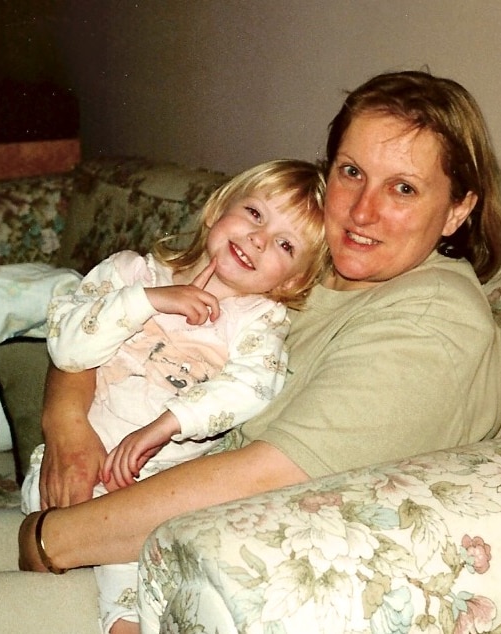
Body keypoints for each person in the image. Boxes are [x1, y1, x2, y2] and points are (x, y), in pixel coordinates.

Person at [0, 69, 501, 634]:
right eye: (350, 171)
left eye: (403, 189)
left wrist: (51, 540)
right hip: (136, 507)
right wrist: (66, 422)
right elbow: (113, 326)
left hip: (225, 573)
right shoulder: (299, 262)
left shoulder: (433, 319)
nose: (361, 211)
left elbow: (267, 478)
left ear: (456, 210)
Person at [21, 159, 329, 634]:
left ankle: (121, 621)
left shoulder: (258, 322)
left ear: (291, 281)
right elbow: (66, 344)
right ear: (216, 210)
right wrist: (149, 300)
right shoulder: (129, 272)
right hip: (60, 474)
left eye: (285, 245)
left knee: (132, 573)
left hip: (149, 488)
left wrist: (166, 423)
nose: (258, 240)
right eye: (254, 213)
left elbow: (251, 386)